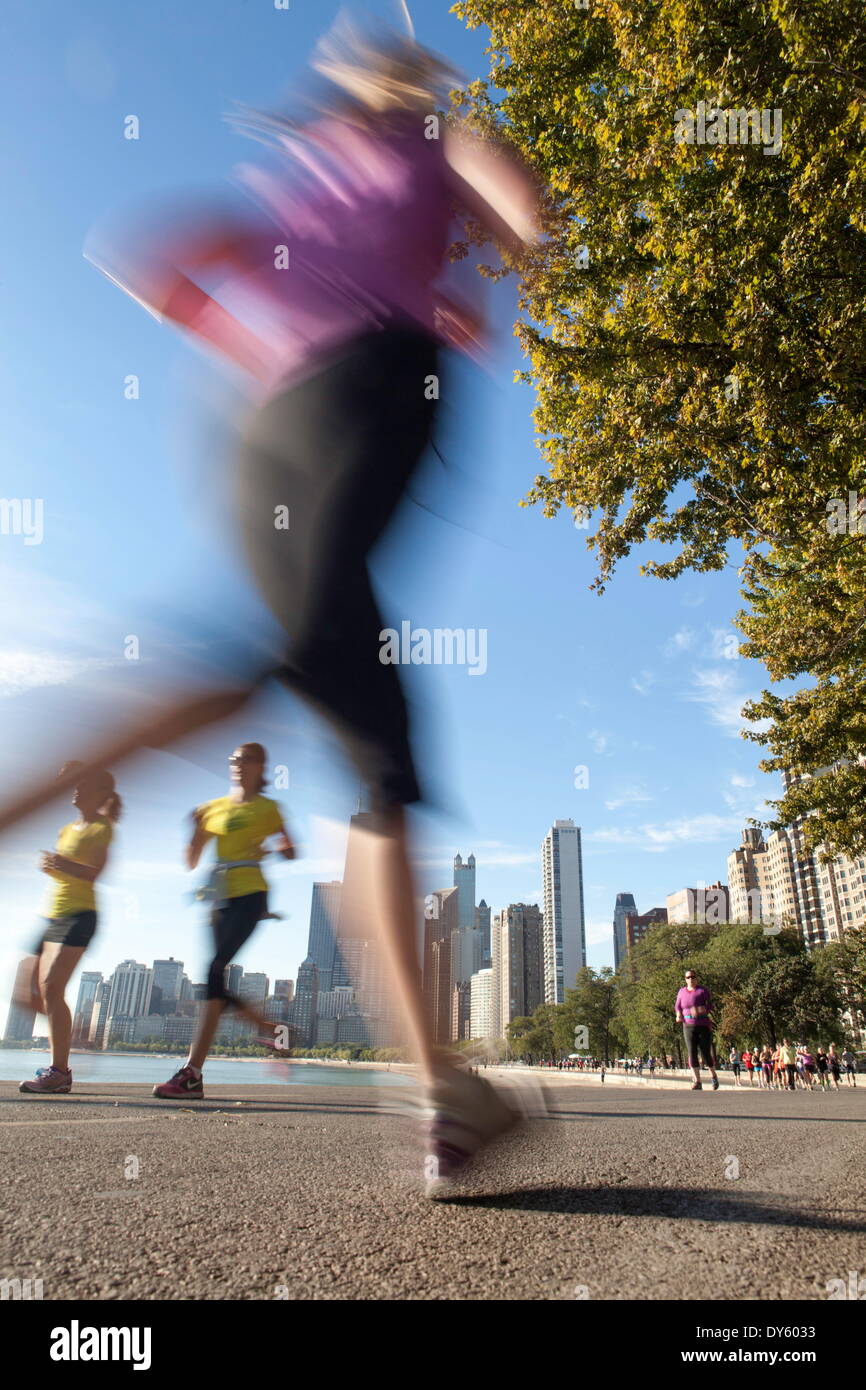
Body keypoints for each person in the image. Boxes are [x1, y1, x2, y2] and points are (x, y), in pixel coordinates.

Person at [0, 15, 545, 1195]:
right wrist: (481, 267)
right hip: (376, 391)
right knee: (275, 668)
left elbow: (146, 255)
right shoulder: (435, 131)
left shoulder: (301, 176)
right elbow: (525, 209)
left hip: (263, 438)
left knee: (371, 737)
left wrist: (243, 336)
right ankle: (442, 1084)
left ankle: (441, 1087)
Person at [154, 744, 294, 1098]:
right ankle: (270, 1028)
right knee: (214, 977)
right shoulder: (212, 808)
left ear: (260, 765)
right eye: (233, 759)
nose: (237, 765)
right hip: (218, 899)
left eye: (245, 759)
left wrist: (271, 847)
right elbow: (190, 859)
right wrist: (195, 832)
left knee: (215, 970)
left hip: (251, 895)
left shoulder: (269, 808)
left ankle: (192, 1072)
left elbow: (292, 851)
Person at [16, 764, 121, 1095]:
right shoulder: (67, 829)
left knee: (51, 987)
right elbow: (68, 871)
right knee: (25, 987)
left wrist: (60, 864)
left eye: (83, 784)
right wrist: (52, 867)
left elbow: (95, 872)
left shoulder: (103, 827)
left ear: (100, 794)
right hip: (52, 915)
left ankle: (59, 1070)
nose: (75, 789)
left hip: (80, 915)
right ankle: (73, 1040)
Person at [674, 969, 719, 1090]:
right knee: (692, 1052)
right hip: (688, 1025)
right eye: (688, 977)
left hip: (702, 1024)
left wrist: (700, 1009)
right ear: (685, 979)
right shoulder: (681, 992)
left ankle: (713, 1075)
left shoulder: (702, 991)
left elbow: (710, 1005)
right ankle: (697, 1081)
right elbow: (677, 1006)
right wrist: (678, 1014)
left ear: (696, 978)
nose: (690, 979)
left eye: (693, 977)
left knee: (705, 1052)